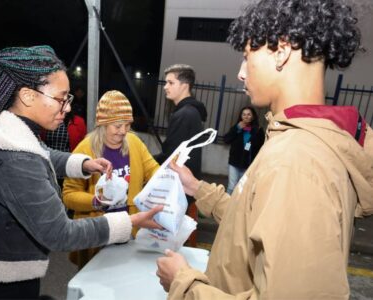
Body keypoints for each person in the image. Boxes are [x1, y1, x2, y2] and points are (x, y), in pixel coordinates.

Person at [156, 0, 373, 298]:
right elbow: (251, 221)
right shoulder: (293, 141)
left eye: (247, 57)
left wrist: (184, 283)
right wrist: (198, 188)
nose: (241, 73)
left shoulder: (296, 161)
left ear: (281, 52)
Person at [0, 45, 162, 299]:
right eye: (61, 98)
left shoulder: (1, 128)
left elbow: (41, 152)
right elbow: (60, 233)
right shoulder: (14, 159)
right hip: (0, 279)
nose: (68, 107)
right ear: (28, 96)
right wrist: (129, 222)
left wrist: (82, 164)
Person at [63, 90, 160, 269]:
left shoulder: (134, 143)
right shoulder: (85, 149)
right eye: (117, 126)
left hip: (129, 230)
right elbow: (68, 195)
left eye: (127, 125)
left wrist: (169, 175)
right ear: (103, 124)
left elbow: (154, 172)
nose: (123, 131)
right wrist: (96, 201)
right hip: (97, 233)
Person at [154, 64, 207, 246]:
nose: (165, 87)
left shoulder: (185, 114)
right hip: (185, 189)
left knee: (170, 244)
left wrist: (145, 161)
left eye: (170, 82)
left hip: (178, 190)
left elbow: (170, 156)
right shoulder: (191, 112)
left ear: (184, 85)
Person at [222, 106, 264, 194]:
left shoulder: (258, 130)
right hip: (234, 163)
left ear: (253, 116)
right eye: (244, 114)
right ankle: (227, 205)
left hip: (248, 164)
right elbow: (226, 140)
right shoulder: (237, 127)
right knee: (231, 187)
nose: (246, 116)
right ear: (241, 116)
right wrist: (237, 128)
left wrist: (253, 133)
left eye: (249, 114)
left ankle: (239, 206)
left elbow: (261, 147)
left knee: (243, 188)